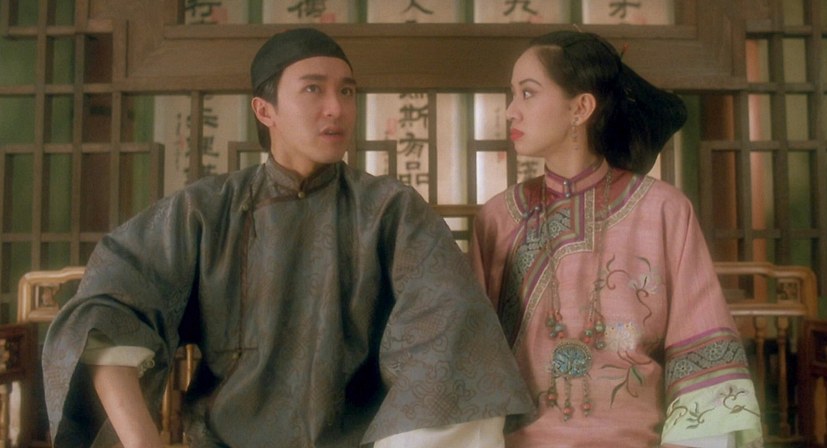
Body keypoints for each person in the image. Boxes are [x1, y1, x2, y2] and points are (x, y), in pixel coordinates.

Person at [42, 28, 533, 447]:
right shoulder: (204, 212)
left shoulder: (392, 212)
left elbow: (450, 333)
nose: (336, 108)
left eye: (347, 91)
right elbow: (104, 313)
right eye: (313, 89)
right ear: (265, 109)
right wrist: (142, 442)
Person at [470, 30, 763, 447]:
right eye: (512, 94)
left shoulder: (663, 210)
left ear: (581, 107)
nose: (510, 111)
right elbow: (470, 363)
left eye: (527, 93)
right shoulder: (497, 218)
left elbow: (701, 358)